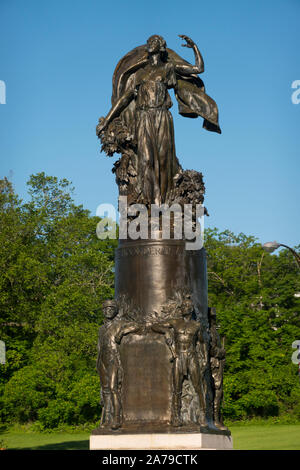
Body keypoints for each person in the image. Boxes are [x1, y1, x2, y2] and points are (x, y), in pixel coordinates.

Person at [97, 34, 210, 205]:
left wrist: (194, 47)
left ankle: (163, 205)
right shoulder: (139, 73)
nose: (151, 43)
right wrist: (107, 121)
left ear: (161, 47)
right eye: (149, 41)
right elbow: (125, 99)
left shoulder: (168, 67)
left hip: (162, 116)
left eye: (155, 41)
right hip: (143, 117)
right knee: (146, 160)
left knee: (165, 160)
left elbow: (198, 68)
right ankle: (151, 204)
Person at [151, 299, 210, 429]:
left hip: (191, 356)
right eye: (183, 306)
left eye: (187, 306)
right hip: (179, 356)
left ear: (191, 309)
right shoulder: (175, 322)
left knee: (198, 386)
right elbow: (155, 326)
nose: (184, 307)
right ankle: (176, 416)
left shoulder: (196, 325)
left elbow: (202, 343)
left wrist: (205, 359)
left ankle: (202, 415)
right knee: (176, 387)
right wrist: (166, 331)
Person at [96, 299, 140, 429]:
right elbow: (99, 346)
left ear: (115, 310)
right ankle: (106, 418)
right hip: (102, 360)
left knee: (113, 388)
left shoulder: (120, 323)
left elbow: (136, 325)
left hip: (114, 358)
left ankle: (117, 418)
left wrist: (122, 332)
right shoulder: (101, 329)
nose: (107, 311)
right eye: (105, 309)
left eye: (110, 309)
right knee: (105, 390)